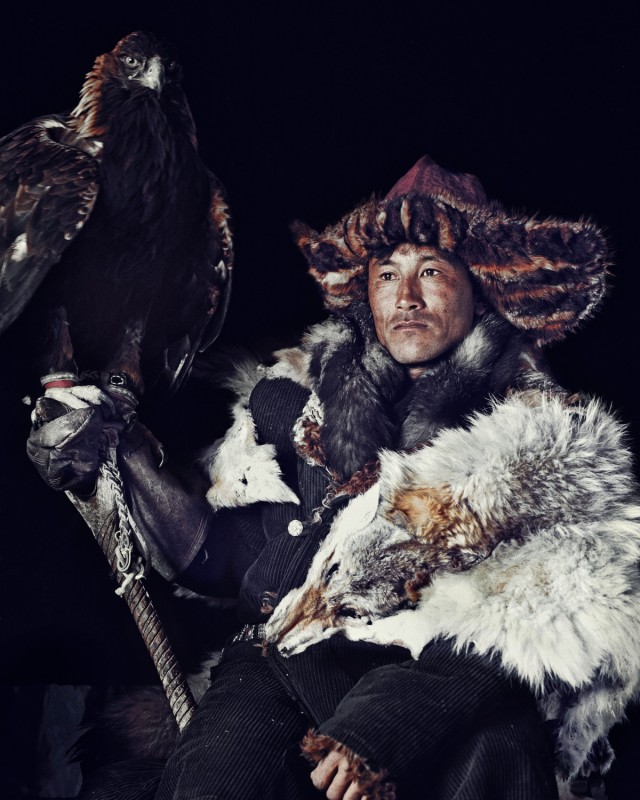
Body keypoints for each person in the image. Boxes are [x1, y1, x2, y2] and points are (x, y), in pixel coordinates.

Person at [26, 156, 640, 800]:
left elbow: (543, 618)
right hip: (275, 670)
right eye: (387, 274)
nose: (406, 297)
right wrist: (119, 454)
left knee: (502, 746)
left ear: (478, 284)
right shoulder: (298, 404)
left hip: (427, 684)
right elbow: (220, 556)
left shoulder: (544, 439)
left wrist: (382, 728)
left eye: (431, 271)